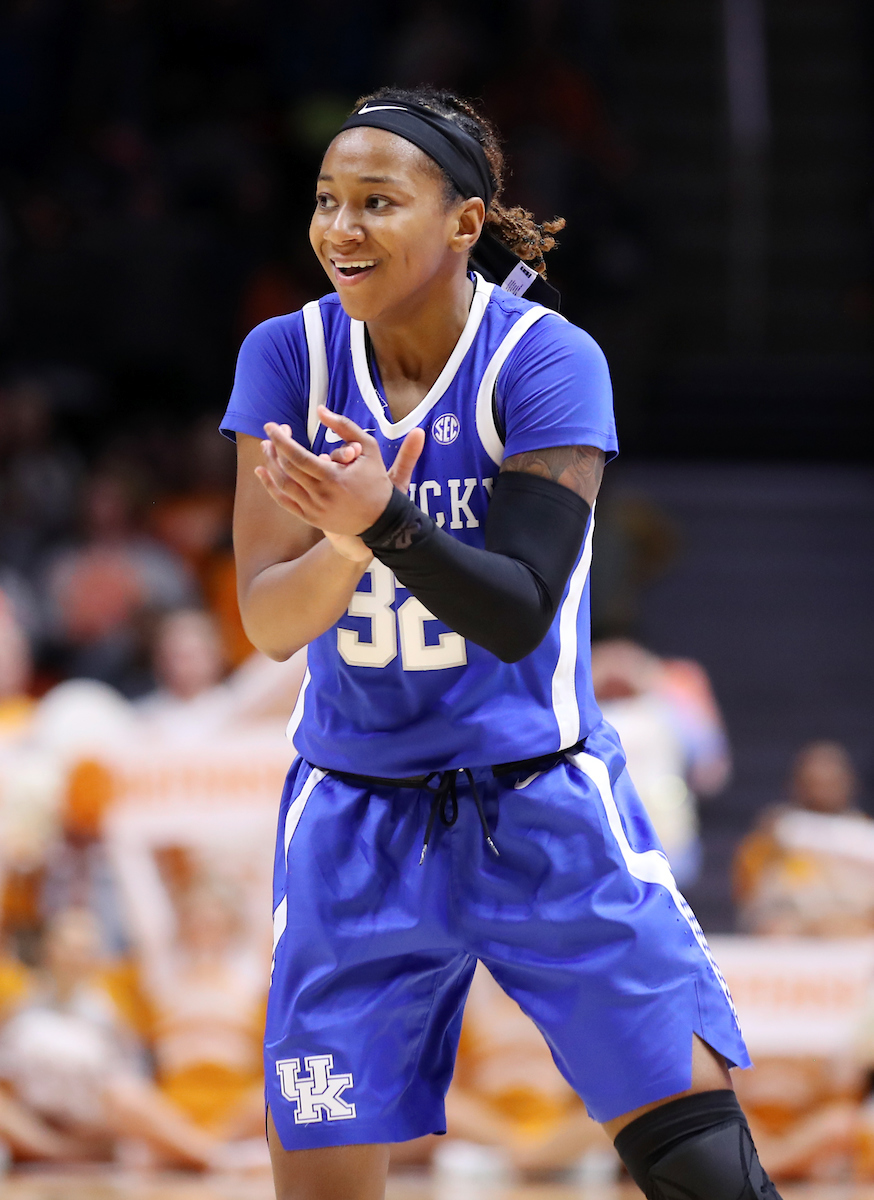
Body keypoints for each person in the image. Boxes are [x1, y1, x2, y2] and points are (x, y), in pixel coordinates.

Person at [221, 86, 777, 1200]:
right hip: (356, 818)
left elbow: (519, 606)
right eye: (327, 200)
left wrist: (384, 521)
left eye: (378, 201)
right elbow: (270, 622)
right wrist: (347, 545)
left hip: (540, 802)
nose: (340, 227)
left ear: (464, 221)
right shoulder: (287, 356)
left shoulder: (546, 360)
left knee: (707, 1173)